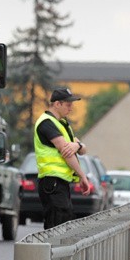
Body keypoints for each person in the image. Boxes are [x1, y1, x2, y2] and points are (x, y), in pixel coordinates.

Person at [34, 88, 91, 230]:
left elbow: (83, 149)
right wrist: (82, 176)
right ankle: (50, 252)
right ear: (57, 104)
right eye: (68, 104)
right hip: (52, 181)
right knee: (56, 224)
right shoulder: (46, 123)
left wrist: (77, 145)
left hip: (60, 182)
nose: (71, 108)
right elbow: (67, 152)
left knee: (64, 220)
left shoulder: (62, 124)